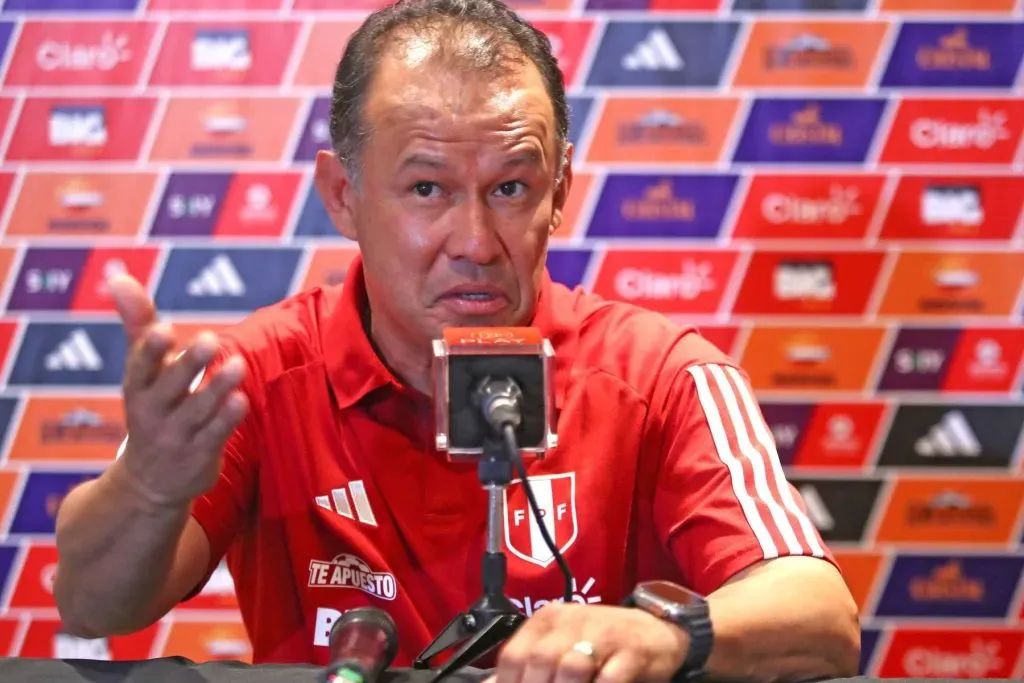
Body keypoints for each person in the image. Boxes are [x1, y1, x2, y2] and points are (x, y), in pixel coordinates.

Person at [53, 0, 860, 680]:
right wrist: (152, 492)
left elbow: (820, 612)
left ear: (561, 190)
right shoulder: (252, 375)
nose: (474, 239)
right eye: (427, 188)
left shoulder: (662, 373)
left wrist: (669, 635)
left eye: (511, 187)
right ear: (344, 194)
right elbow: (93, 604)